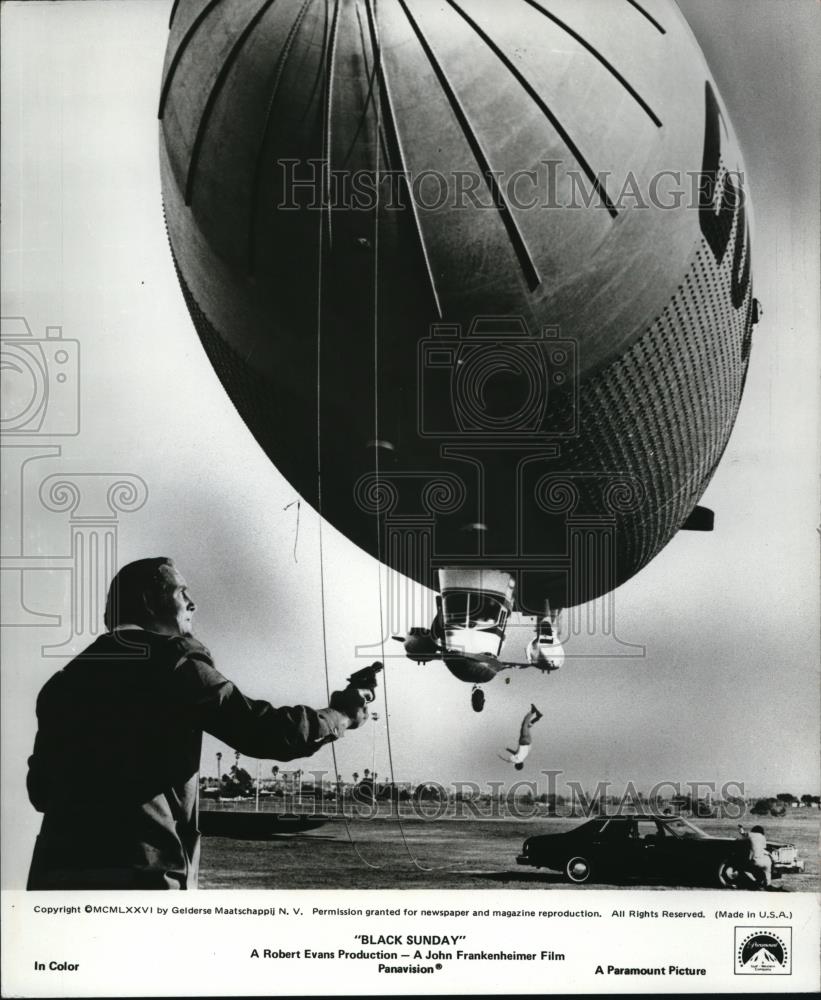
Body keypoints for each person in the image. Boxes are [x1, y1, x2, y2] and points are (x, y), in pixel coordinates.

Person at [26, 557, 370, 890]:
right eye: (181, 592)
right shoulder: (176, 665)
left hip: (55, 883)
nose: (192, 603)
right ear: (149, 601)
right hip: (142, 882)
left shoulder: (62, 683)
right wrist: (341, 715)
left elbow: (40, 792)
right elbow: (269, 733)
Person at [498, 704, 543, 770]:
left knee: (527, 727)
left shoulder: (522, 757)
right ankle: (532, 711)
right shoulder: (516, 760)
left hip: (529, 742)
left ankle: (537, 717)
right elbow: (508, 759)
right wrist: (503, 758)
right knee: (524, 724)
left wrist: (507, 749)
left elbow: (515, 752)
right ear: (516, 765)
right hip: (523, 742)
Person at [737, 823, 773, 888]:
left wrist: (741, 828)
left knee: (744, 870)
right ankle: (768, 884)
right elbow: (763, 848)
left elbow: (742, 833)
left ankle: (755, 882)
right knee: (767, 872)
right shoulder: (763, 837)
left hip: (755, 860)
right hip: (766, 861)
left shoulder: (750, 834)